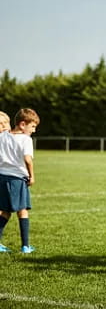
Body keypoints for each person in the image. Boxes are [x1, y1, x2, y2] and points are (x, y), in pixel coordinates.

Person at [0, 108, 40, 254]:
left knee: (5, 211)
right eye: (33, 126)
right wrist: (32, 176)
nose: (34, 130)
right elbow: (27, 159)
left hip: (2, 177)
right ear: (23, 124)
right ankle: (25, 246)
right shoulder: (25, 139)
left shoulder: (3, 136)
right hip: (17, 179)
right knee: (22, 211)